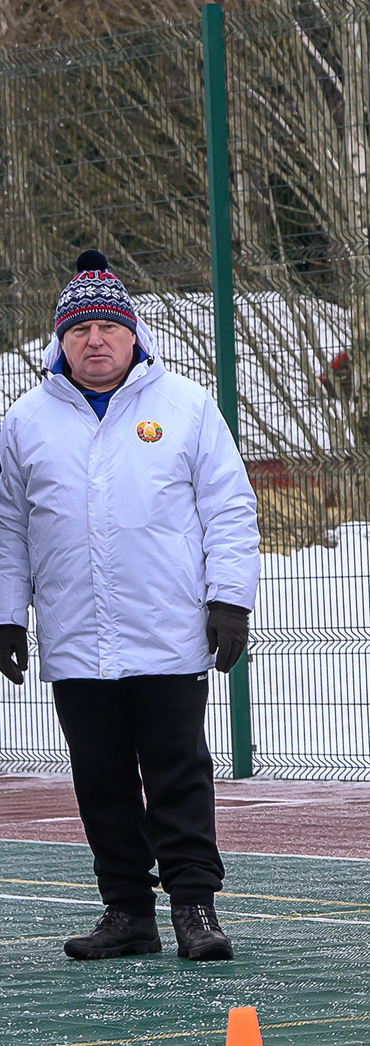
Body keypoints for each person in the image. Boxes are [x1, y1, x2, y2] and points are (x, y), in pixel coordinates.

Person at [0, 249, 257, 962]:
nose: (95, 341)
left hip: (167, 633)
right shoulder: (24, 421)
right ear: (60, 340)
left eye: (109, 327)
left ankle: (195, 908)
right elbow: (9, 528)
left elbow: (230, 508)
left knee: (178, 774)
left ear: (133, 334)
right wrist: (6, 615)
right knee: (101, 781)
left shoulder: (185, 406)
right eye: (80, 329)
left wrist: (229, 599)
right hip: (77, 640)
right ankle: (127, 912)